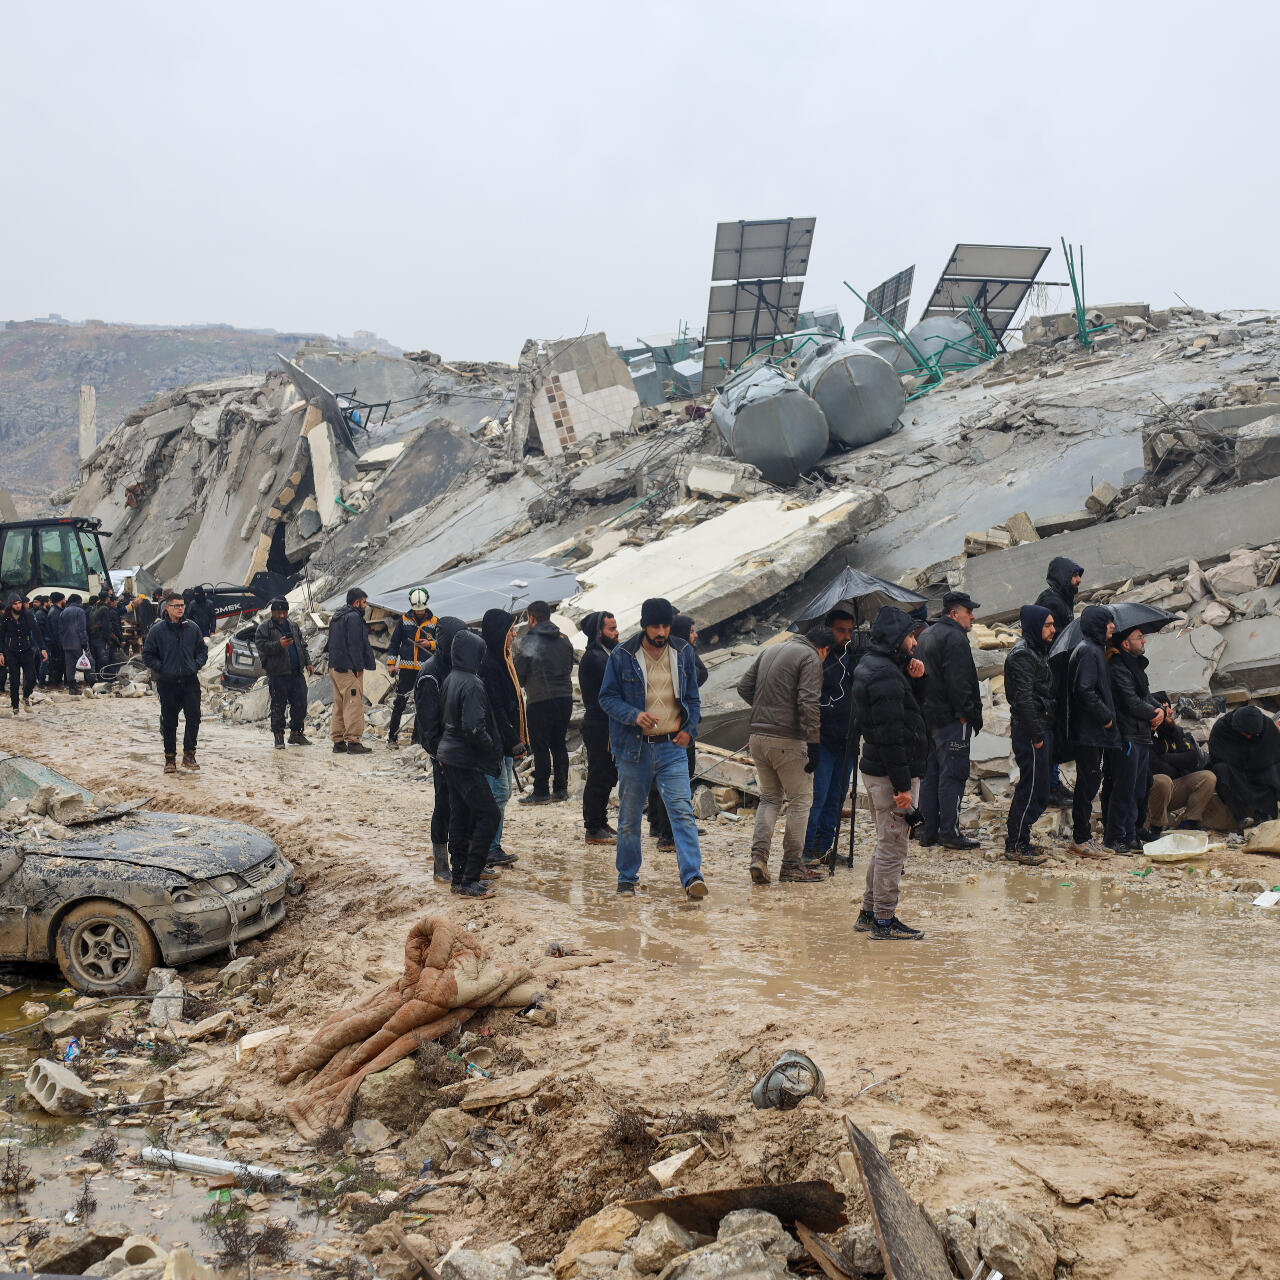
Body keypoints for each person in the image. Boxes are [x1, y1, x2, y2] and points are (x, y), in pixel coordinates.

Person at [598, 597, 707, 899]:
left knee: (682, 813)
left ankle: (692, 877)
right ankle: (626, 878)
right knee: (630, 816)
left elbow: (694, 699)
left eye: (665, 625)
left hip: (672, 747)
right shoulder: (622, 655)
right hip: (634, 749)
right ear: (645, 625)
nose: (661, 632)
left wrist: (689, 730)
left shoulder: (683, 652)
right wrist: (634, 716)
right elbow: (606, 698)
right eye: (655, 626)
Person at [851, 607, 930, 940]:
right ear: (898, 638)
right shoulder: (883, 675)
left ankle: (870, 913)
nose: (914, 643)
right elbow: (891, 735)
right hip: (890, 775)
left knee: (885, 844)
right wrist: (902, 786)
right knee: (893, 848)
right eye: (911, 637)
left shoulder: (879, 667)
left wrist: (918, 677)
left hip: (879, 771)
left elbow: (910, 711)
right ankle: (884, 921)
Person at [737, 625, 831, 884]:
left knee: (769, 798)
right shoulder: (810, 657)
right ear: (824, 649)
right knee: (800, 800)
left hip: (757, 737)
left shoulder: (771, 649)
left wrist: (766, 712)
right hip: (788, 739)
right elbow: (808, 702)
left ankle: (759, 858)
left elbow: (744, 687)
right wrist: (814, 743)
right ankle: (791, 865)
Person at [437, 629, 503, 899]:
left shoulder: (451, 678)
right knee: (489, 814)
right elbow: (473, 728)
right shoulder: (473, 683)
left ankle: (459, 877)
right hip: (465, 759)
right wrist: (492, 749)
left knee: (460, 817)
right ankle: (470, 879)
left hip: (449, 757)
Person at [915, 590, 983, 850]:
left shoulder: (928, 634)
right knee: (953, 774)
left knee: (931, 775)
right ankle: (949, 831)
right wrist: (969, 714)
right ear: (955, 613)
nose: (973, 617)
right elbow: (960, 682)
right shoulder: (955, 637)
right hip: (952, 719)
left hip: (929, 718)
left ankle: (928, 830)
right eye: (969, 612)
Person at [803, 604, 860, 863]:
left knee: (836, 798)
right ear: (828, 630)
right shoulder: (817, 661)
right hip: (823, 740)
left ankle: (825, 848)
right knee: (818, 797)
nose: (846, 636)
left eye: (849, 631)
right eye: (840, 631)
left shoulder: (854, 659)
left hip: (848, 740)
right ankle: (805, 851)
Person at [414, 616, 467, 883]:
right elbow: (428, 723)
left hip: (461, 751)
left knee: (464, 807)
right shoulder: (431, 673)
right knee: (444, 806)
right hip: (443, 754)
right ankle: (440, 865)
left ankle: (465, 861)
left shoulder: (458, 667)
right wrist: (440, 753)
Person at [648, 613, 707, 850]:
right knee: (676, 779)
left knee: (663, 779)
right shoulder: (682, 654)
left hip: (666, 725)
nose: (696, 635)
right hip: (677, 726)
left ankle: (660, 826)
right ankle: (668, 834)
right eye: (691, 630)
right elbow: (701, 674)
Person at [1104, 626, 1164, 853]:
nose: (1144, 642)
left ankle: (1130, 834)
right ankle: (1114, 836)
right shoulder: (1117, 668)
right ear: (1126, 644)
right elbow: (1130, 702)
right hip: (1126, 735)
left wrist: (1159, 709)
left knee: (1138, 789)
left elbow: (1145, 695)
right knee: (1124, 789)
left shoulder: (1134, 666)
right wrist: (1153, 713)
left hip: (1141, 735)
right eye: (1139, 638)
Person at [1003, 605, 1056, 865]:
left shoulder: (1035, 650)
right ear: (1036, 626)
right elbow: (1023, 698)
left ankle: (1021, 838)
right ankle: (1015, 843)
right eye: (1047, 625)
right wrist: (1036, 734)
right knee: (1033, 787)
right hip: (1030, 729)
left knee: (1041, 787)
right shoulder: (1023, 655)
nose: (1053, 630)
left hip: (1038, 725)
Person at [1065, 604, 1118, 857]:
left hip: (1090, 730)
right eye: (1108, 622)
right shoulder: (1088, 651)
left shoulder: (1094, 650)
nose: (1113, 627)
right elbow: (1085, 690)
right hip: (1089, 731)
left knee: (1090, 781)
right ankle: (1081, 838)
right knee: (1087, 783)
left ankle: (1084, 836)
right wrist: (1106, 717)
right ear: (1098, 624)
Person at [513, 601, 575, 804]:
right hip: (564, 698)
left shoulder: (529, 641)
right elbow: (568, 666)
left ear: (531, 618)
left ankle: (541, 791)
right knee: (559, 743)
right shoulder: (564, 639)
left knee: (540, 746)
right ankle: (560, 789)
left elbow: (519, 674)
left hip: (540, 700)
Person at [1035, 558, 1083, 810]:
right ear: (1065, 576)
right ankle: (1049, 784)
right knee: (1051, 729)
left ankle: (1051, 781)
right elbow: (1056, 642)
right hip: (1051, 676)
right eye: (1075, 575)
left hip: (1057, 674)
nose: (1079, 581)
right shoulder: (1052, 601)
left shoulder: (1060, 598)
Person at [141, 591, 208, 773]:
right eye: (176, 605)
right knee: (170, 722)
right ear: (167, 608)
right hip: (168, 683)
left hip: (190, 681)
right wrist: (162, 668)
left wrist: (196, 665)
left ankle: (189, 754)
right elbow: (147, 654)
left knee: (194, 717)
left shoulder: (192, 628)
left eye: (182, 605)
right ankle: (170, 758)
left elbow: (202, 650)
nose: (180, 608)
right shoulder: (158, 630)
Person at [478, 608, 524, 869]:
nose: (514, 635)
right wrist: (512, 738)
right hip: (496, 741)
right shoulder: (490, 665)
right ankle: (487, 848)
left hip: (505, 740)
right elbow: (495, 708)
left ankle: (492, 846)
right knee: (498, 793)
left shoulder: (504, 660)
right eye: (510, 631)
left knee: (502, 794)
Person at [1144, 694, 1222, 835]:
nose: (1171, 712)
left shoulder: (1175, 731)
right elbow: (1157, 767)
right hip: (1150, 794)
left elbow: (1192, 759)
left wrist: (1165, 756)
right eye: (1166, 708)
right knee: (1163, 780)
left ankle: (1188, 823)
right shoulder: (1146, 733)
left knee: (1207, 777)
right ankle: (1155, 827)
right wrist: (1177, 762)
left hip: (1173, 789)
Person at [578, 611, 620, 845]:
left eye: (615, 628)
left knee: (607, 774)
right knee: (598, 774)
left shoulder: (607, 653)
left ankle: (600, 820)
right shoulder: (595, 658)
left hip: (608, 724)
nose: (616, 633)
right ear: (599, 632)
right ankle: (593, 828)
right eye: (611, 629)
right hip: (598, 725)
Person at [255, 597, 314, 749]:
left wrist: (308, 662)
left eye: (284, 613)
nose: (282, 616)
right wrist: (279, 645)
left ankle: (296, 733)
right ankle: (278, 736)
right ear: (273, 612)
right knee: (278, 707)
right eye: (279, 613)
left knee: (300, 704)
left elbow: (302, 645)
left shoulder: (293, 626)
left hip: (296, 673)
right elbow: (262, 647)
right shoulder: (264, 628)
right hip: (277, 674)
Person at [1208, 705, 1280, 828]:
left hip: (1260, 771)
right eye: (1245, 733)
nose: (1248, 737)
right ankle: (1241, 816)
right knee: (1221, 770)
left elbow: (1274, 753)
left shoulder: (1266, 726)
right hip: (1236, 772)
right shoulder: (1222, 729)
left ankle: (1263, 814)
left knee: (1274, 769)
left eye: (1252, 734)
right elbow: (1218, 756)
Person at [386, 588, 437, 748]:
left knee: (422, 704)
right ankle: (392, 738)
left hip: (424, 670)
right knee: (400, 702)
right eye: (417, 610)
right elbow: (394, 643)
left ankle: (417, 739)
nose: (420, 612)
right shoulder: (404, 620)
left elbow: (441, 642)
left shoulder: (435, 622)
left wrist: (430, 644)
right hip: (407, 670)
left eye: (422, 609)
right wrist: (391, 664)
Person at [328, 588, 375, 755]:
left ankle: (338, 742)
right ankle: (354, 742)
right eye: (363, 602)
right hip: (348, 668)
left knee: (340, 704)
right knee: (353, 704)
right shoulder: (354, 618)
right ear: (356, 603)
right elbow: (355, 645)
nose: (365, 606)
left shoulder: (336, 617)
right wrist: (358, 667)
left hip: (335, 667)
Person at [0, 597, 46, 715]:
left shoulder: (28, 614)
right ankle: (15, 707)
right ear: (11, 605)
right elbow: (0, 636)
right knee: (14, 681)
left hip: (26, 650)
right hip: (12, 652)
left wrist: (43, 648)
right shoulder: (5, 617)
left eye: (19, 603)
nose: (18, 606)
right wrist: (1, 653)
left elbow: (36, 631)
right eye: (15, 604)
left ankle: (25, 697)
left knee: (31, 678)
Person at [59, 594, 92, 692]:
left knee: (70, 666)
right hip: (77, 643)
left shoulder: (63, 612)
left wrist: (62, 642)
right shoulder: (80, 611)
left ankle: (72, 687)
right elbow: (82, 629)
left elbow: (60, 630)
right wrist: (84, 642)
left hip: (66, 644)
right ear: (79, 602)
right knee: (87, 662)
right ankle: (92, 684)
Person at [44, 593, 65, 688]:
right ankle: (55, 683)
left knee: (58, 663)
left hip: (56, 642)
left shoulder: (56, 610)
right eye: (64, 599)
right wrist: (57, 646)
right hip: (56, 643)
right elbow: (56, 631)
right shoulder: (55, 612)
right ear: (61, 600)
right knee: (57, 663)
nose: (65, 601)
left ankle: (56, 682)